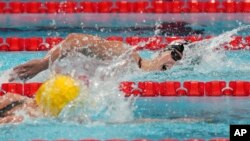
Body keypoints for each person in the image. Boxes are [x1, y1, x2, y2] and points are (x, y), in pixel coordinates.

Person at [8, 33, 188, 82]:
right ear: (160, 51)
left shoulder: (138, 77)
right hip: (28, 78)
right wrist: (43, 64)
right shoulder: (127, 55)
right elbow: (75, 40)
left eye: (179, 61)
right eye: (174, 53)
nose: (173, 62)